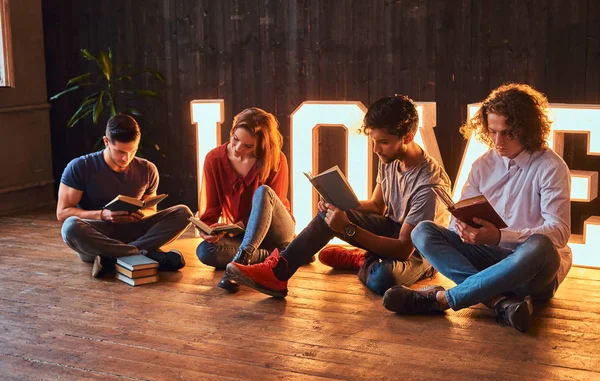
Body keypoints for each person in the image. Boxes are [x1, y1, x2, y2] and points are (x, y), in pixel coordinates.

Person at [384, 83, 572, 333]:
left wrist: (499, 236)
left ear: (527, 130)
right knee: (422, 231)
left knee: (541, 246)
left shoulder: (551, 167)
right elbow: (455, 223)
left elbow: (559, 232)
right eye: (493, 131)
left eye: (508, 133)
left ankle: (441, 300)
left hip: (532, 270)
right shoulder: (483, 165)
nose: (498, 141)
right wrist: (465, 230)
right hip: (487, 259)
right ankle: (500, 302)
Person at [225, 95, 452, 297]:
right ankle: (278, 271)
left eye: (383, 142)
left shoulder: (429, 183)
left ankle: (361, 258)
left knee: (382, 279)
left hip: (421, 250)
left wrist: (347, 229)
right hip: (392, 228)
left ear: (408, 137)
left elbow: (404, 248)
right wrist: (336, 203)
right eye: (374, 141)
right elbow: (376, 206)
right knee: (330, 214)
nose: (376, 149)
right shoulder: (390, 158)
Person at [58, 114, 193, 276]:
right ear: (106, 142)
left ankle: (113, 258)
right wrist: (103, 215)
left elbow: (152, 210)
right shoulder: (80, 166)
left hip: (133, 230)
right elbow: (63, 212)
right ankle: (144, 254)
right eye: (120, 151)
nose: (126, 158)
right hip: (98, 236)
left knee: (184, 213)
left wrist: (141, 214)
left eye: (133, 151)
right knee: (70, 227)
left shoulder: (148, 169)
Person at [195, 107, 295, 292]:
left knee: (264, 191)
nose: (238, 148)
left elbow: (274, 204)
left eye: (248, 146)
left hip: (276, 232)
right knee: (204, 251)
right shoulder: (214, 158)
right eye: (235, 139)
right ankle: (278, 255)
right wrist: (208, 230)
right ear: (232, 132)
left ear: (261, 145)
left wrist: (241, 225)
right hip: (241, 235)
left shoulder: (276, 159)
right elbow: (210, 209)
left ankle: (242, 261)